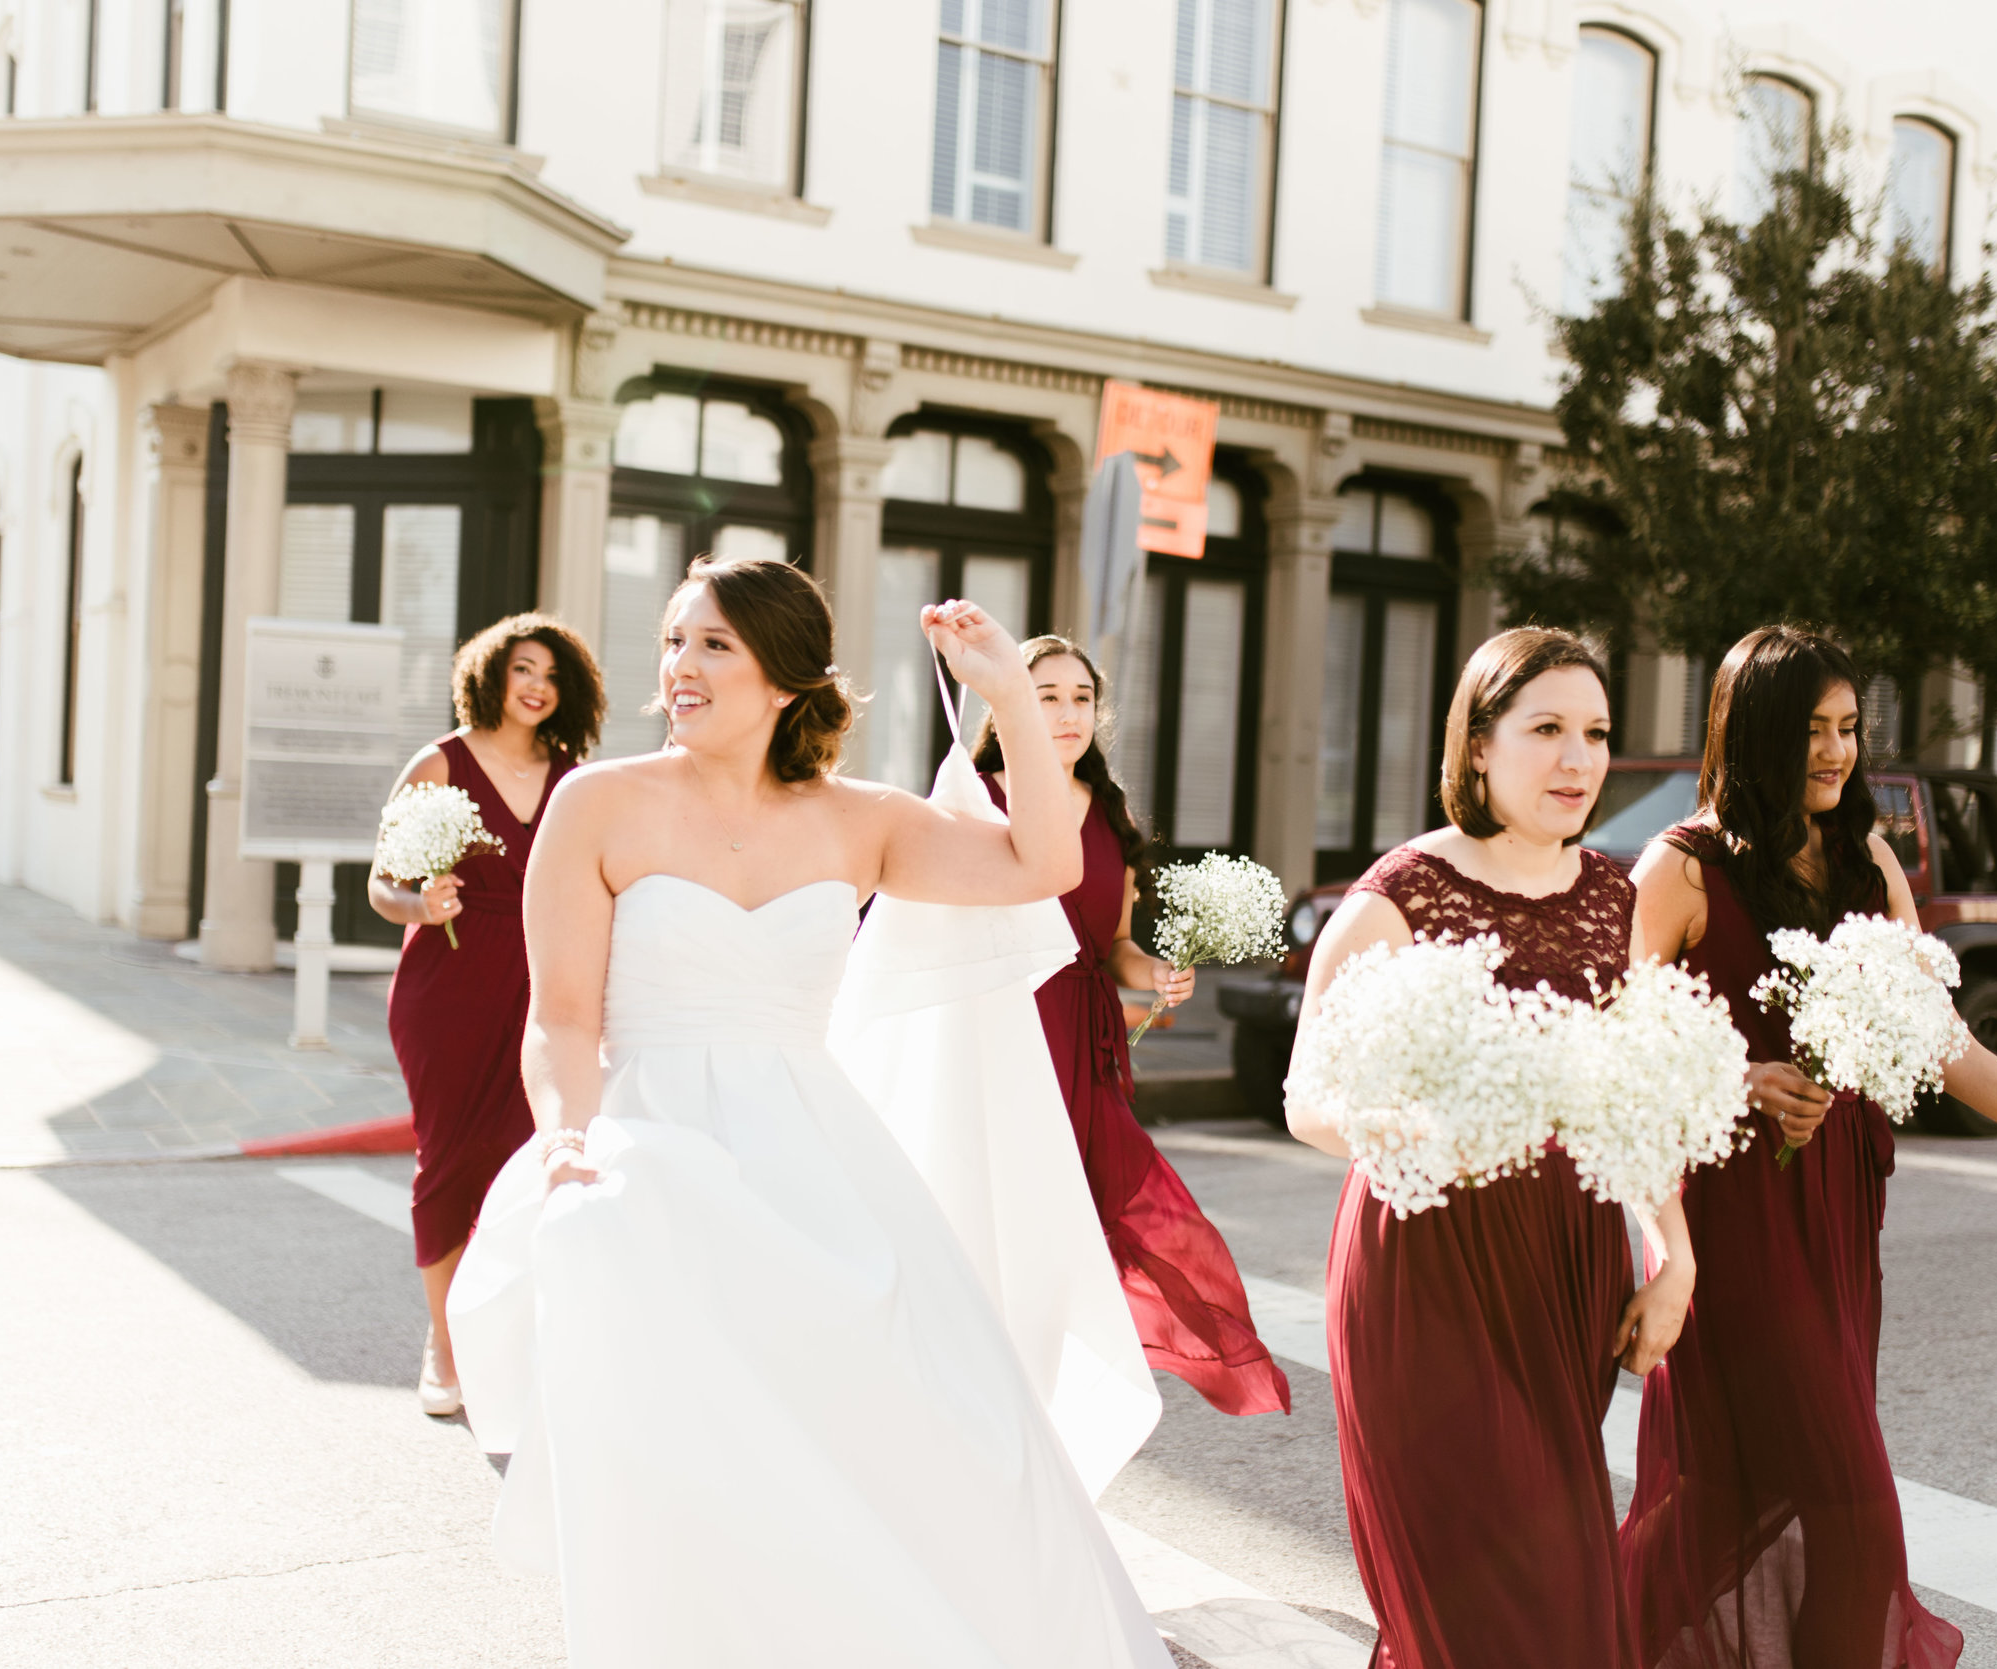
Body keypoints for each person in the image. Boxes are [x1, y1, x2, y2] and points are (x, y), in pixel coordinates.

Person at [448, 557, 1172, 1668]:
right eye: (675, 641)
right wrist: (571, 1137)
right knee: (695, 1466)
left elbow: (1040, 863)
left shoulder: (860, 820)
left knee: (906, 1441)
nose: (678, 667)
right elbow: (562, 1018)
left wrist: (1008, 696)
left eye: (713, 645)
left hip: (819, 1163)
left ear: (786, 677)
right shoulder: (598, 802)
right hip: (651, 1160)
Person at [1620, 625, 1997, 1669]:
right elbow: (1617, 1051)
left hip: (1838, 1206)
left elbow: (1945, 1045)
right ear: (1750, 731)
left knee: (1734, 1502)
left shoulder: (1866, 859)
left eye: (1848, 727)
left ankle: (1578, 1637)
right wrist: (1739, 1077)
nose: (1835, 752)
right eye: (1809, 729)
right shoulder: (1682, 868)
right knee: (1846, 1506)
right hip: (1733, 1215)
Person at [1286, 627, 1700, 1669]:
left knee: (1559, 1578)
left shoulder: (1614, 898)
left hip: (1562, 1268)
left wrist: (1674, 1254)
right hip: (1422, 1272)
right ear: (1478, 745)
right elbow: (1306, 1097)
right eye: (1546, 729)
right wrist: (1409, 1132)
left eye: (1596, 732)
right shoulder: (1398, 896)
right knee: (1471, 1603)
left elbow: (1635, 1102)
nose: (1578, 759)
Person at [974, 634, 1289, 1417]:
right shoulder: (978, 796)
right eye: (1047, 694)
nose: (1069, 713)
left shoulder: (1107, 814)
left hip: (1085, 1041)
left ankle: (1045, 1389)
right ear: (1007, 701)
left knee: (1102, 1211)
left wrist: (1154, 973)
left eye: (1082, 697)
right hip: (1006, 1032)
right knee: (1007, 1213)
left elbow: (1113, 944)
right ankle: (995, 1378)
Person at [367, 612, 603, 1418]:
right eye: (524, 670)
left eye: (552, 676)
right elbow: (381, 886)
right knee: (450, 1159)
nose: (537, 687)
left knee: (525, 1159)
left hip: (548, 987)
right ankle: (442, 1340)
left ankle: (507, 1334)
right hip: (450, 986)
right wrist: (421, 906)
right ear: (492, 674)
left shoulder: (576, 778)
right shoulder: (440, 761)